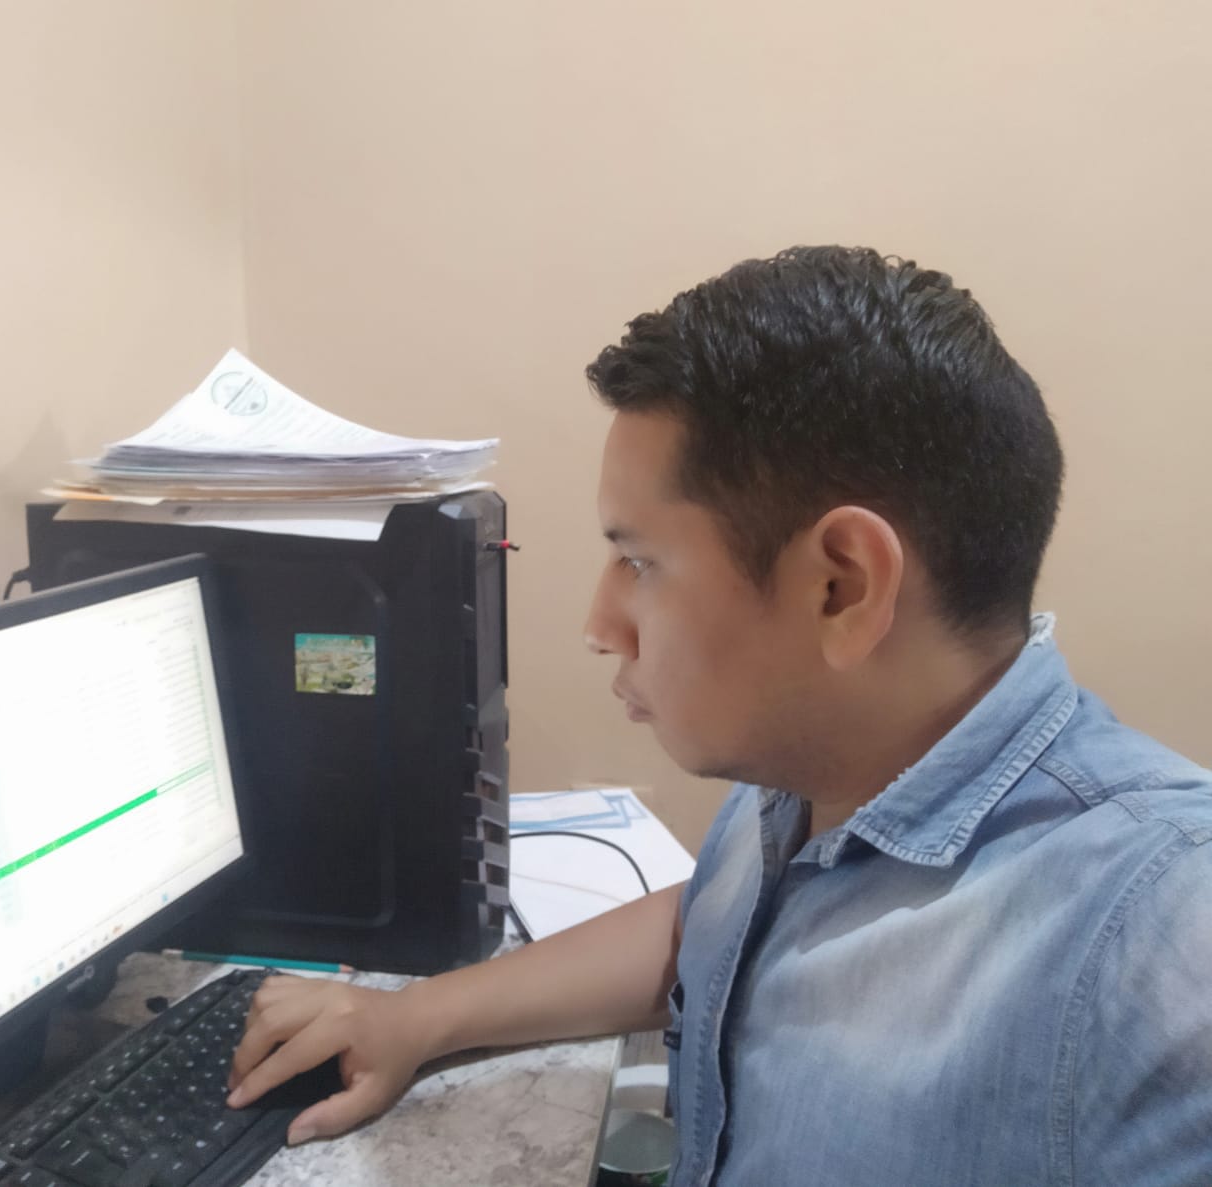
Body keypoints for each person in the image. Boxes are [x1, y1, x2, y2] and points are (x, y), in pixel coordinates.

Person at [224, 246, 1212, 1185]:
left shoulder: (1158, 935)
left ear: (840, 586)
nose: (600, 625)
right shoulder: (814, 772)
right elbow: (715, 922)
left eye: (639, 561)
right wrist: (415, 1017)